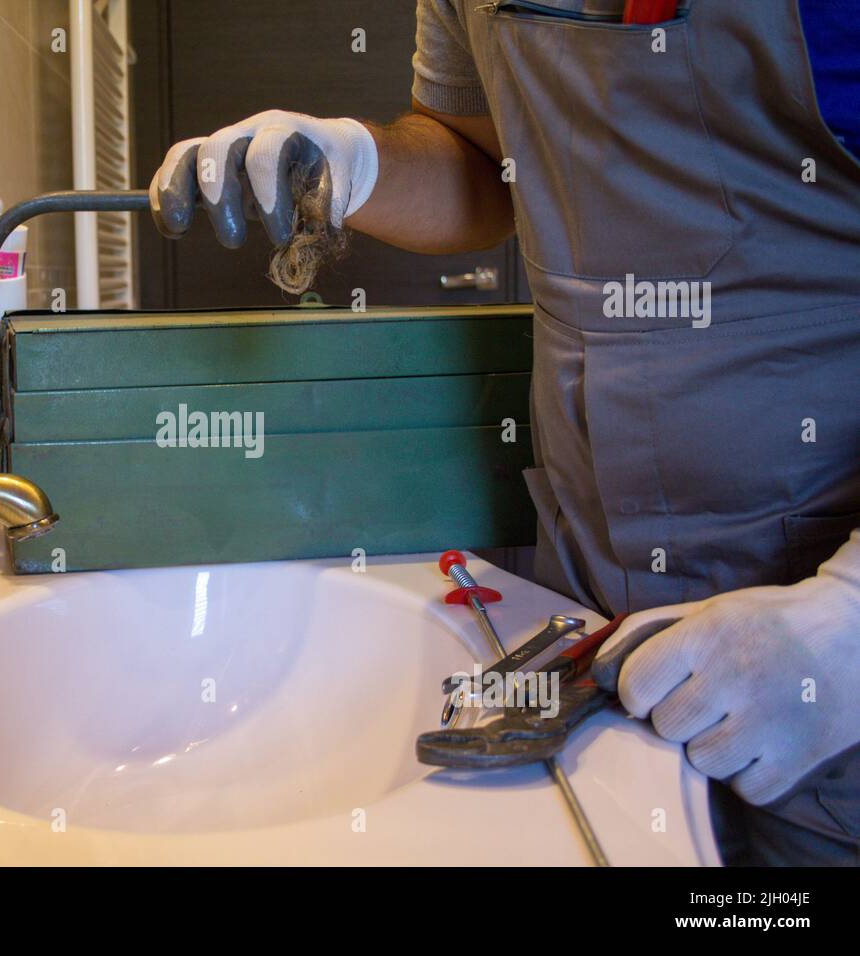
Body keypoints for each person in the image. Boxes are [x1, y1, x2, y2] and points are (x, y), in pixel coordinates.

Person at [148, 0, 860, 865]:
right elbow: (487, 160)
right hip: (596, 588)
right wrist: (358, 163)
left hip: (819, 624)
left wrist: (848, 621)